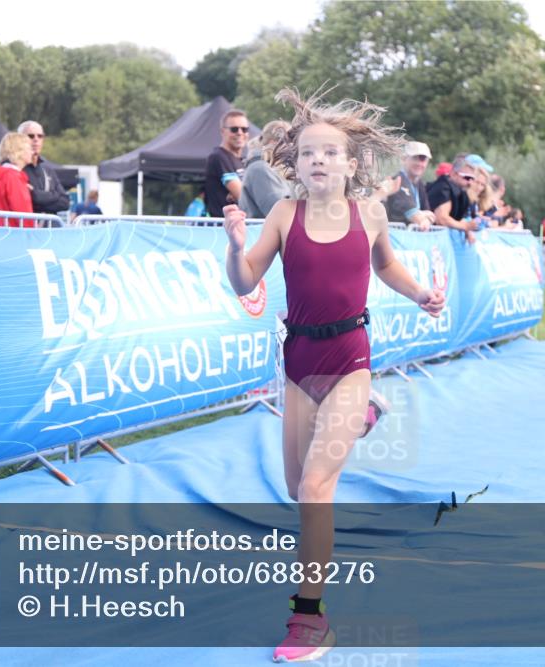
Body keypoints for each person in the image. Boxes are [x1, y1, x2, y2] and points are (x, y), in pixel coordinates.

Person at [222, 88, 445, 663]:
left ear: (351, 164)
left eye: (330, 152)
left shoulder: (368, 214)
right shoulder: (282, 215)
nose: (318, 160)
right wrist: (234, 247)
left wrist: (421, 293)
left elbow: (387, 264)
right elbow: (246, 283)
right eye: (308, 153)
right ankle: (367, 412)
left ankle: (309, 617)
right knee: (299, 491)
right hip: (297, 364)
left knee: (318, 489)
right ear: (294, 165)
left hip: (350, 358)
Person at [17, 120, 70, 226]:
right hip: (27, 232)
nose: (36, 139)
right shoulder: (17, 169)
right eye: (31, 136)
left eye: (40, 136)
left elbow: (65, 202)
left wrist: (37, 196)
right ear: (20, 139)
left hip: (51, 233)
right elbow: (26, 201)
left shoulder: (47, 169)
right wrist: (54, 196)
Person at [239, 120, 292, 219]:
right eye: (290, 142)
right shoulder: (260, 170)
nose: (293, 147)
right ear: (275, 143)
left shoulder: (266, 168)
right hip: (260, 233)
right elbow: (280, 213)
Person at [427, 153, 480, 244]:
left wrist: (467, 229)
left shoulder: (462, 192)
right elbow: (441, 219)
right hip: (429, 238)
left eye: (472, 179)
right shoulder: (443, 188)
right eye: (467, 178)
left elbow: (461, 218)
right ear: (454, 174)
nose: (470, 183)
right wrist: (465, 227)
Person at [205, 108, 249, 216]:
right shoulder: (218, 157)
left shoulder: (243, 160)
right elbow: (243, 197)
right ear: (222, 131)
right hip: (222, 228)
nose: (240, 133)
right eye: (234, 129)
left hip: (239, 227)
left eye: (244, 129)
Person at [382, 140, 435, 229]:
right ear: (404, 159)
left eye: (423, 159)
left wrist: (423, 215)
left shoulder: (419, 183)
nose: (419, 163)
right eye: (415, 158)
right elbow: (414, 216)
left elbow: (431, 216)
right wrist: (422, 216)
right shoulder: (398, 180)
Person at [0, 132, 35, 228]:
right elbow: (23, 214)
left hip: (3, 232)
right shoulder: (13, 177)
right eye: (30, 148)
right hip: (16, 236)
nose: (32, 152)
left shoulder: (2, 175)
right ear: (19, 152)